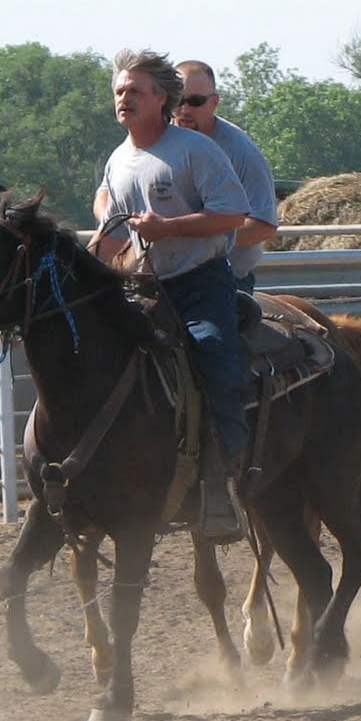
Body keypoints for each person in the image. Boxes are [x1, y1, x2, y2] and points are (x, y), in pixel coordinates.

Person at [92, 48, 252, 541]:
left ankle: (226, 475)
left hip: (201, 284)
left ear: (162, 98)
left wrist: (168, 228)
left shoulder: (195, 151)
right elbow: (115, 235)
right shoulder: (120, 161)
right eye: (120, 91)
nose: (125, 99)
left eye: (135, 91)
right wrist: (86, 268)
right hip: (147, 286)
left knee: (211, 353)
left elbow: (233, 215)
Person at [173, 60, 279, 292]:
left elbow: (263, 225)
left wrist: (189, 239)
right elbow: (106, 194)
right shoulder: (151, 141)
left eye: (196, 102)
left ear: (214, 102)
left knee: (211, 331)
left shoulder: (242, 151)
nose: (185, 110)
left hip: (225, 282)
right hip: (163, 278)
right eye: (178, 101)